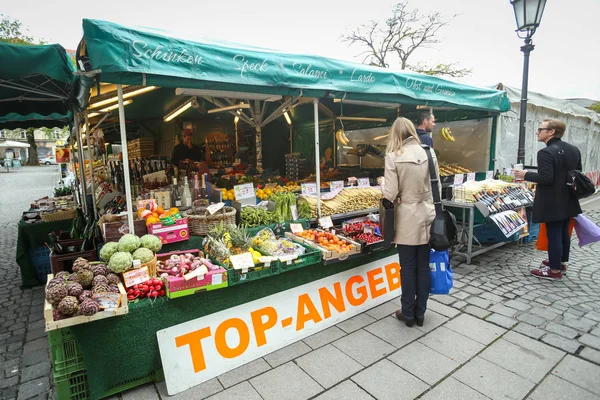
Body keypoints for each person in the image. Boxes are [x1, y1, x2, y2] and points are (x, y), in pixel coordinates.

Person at [382, 117, 439, 327]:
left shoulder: (393, 156)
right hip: (427, 214)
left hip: (406, 216)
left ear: (395, 134)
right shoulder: (428, 151)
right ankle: (420, 312)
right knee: (423, 266)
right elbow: (437, 186)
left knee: (407, 267)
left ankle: (407, 313)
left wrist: (381, 184)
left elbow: (390, 194)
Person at [513, 119, 582, 280]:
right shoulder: (573, 149)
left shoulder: (545, 152)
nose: (537, 132)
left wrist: (525, 175)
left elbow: (546, 178)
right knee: (564, 231)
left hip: (552, 201)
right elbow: (577, 173)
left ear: (551, 132)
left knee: (554, 234)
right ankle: (560, 262)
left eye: (540, 129)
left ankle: (554, 270)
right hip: (569, 198)